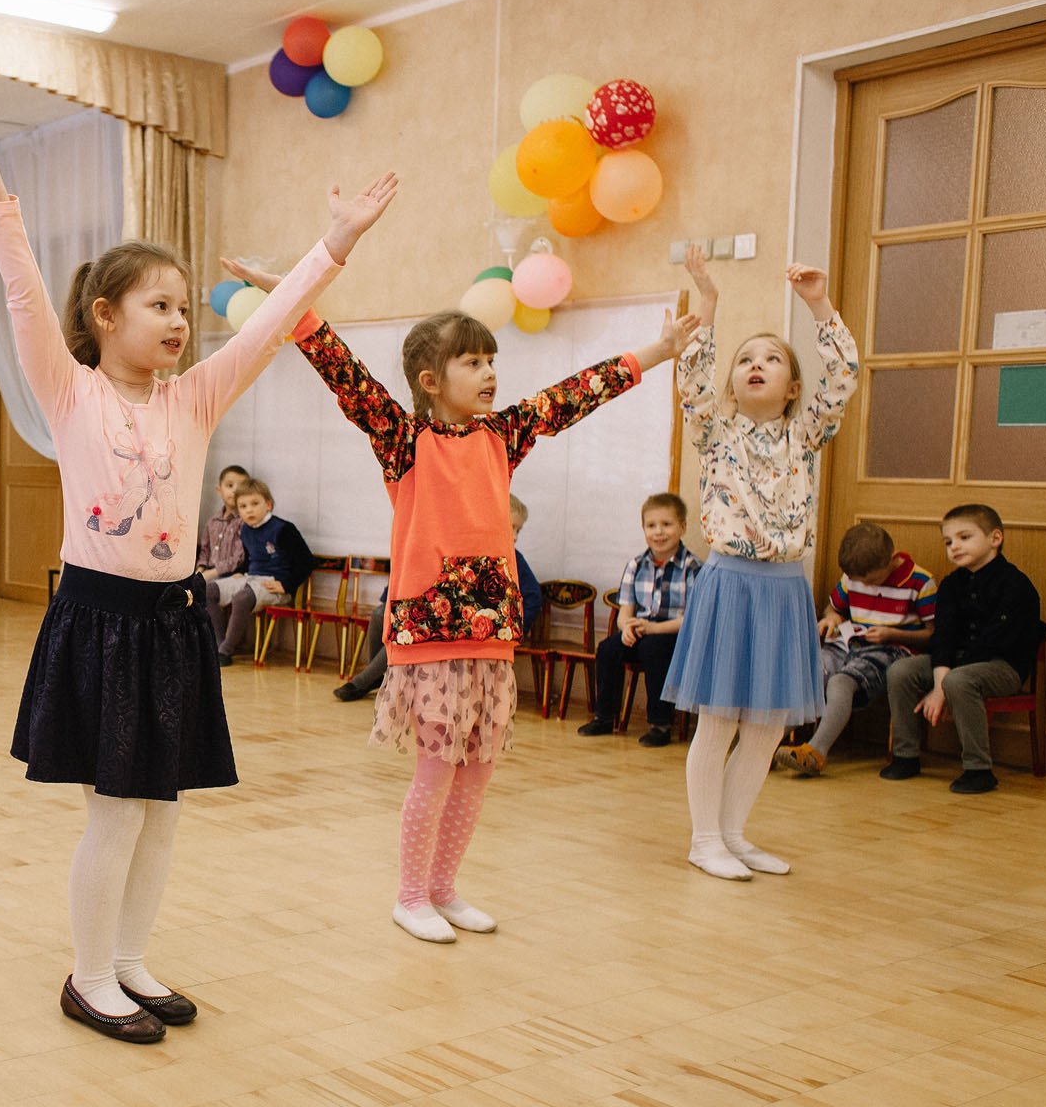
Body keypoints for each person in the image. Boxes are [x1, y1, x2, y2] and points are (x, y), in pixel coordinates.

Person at [0, 107, 395, 1041]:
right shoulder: (69, 390)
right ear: (105, 315)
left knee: (162, 809)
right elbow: (20, 293)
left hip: (173, 622)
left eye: (185, 307)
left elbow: (263, 330)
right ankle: (89, 973)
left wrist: (329, 248)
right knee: (113, 813)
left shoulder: (196, 394)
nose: (181, 321)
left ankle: (132, 959)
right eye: (159, 305)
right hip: (100, 620)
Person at [225, 255, 695, 943]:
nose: (489, 373)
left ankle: (444, 887)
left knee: (476, 772)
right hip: (427, 637)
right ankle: (410, 893)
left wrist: (658, 350)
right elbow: (341, 370)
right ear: (430, 380)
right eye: (473, 362)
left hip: (492, 633)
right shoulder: (403, 440)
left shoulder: (502, 436)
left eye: (491, 360)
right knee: (437, 768)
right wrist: (295, 295)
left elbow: (575, 393)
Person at [661, 245, 858, 880]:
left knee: (768, 727)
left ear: (792, 387)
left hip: (784, 589)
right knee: (718, 721)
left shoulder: (807, 434)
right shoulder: (714, 430)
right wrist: (708, 302)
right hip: (729, 584)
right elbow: (691, 378)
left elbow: (845, 375)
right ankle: (703, 839)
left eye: (771, 359)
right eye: (746, 359)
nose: (755, 366)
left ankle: (734, 833)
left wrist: (818, 304)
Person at [881, 504, 1043, 795]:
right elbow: (943, 637)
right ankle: (906, 756)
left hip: (1001, 665)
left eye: (964, 538)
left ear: (995, 538)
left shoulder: (1016, 585)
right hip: (956, 662)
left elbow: (991, 643)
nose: (954, 546)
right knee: (901, 670)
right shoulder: (952, 584)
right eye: (948, 542)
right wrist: (942, 679)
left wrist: (942, 686)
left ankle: (979, 769)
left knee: (960, 680)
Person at [335, 495, 538, 702]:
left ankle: (363, 682)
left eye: (518, 530)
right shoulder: (462, 544)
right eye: (511, 527)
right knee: (380, 614)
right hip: (440, 607)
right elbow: (416, 571)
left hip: (466, 624)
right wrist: (391, 599)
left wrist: (515, 628)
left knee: (406, 625)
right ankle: (381, 677)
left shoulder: (513, 557)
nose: (514, 536)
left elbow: (533, 597)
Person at [773, 522, 934, 776]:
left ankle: (816, 751)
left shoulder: (920, 582)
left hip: (889, 650)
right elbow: (835, 609)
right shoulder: (852, 577)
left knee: (840, 682)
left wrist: (892, 634)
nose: (866, 586)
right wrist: (831, 620)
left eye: (872, 581)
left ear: (892, 560)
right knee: (810, 672)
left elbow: (932, 634)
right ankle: (767, 744)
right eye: (860, 582)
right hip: (848, 643)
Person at [578, 492, 701, 746]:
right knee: (609, 648)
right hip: (643, 630)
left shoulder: (692, 567)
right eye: (651, 525)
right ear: (643, 528)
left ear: (683, 527)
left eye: (667, 524)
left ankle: (661, 723)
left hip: (675, 636)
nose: (659, 532)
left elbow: (692, 619)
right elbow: (626, 612)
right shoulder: (636, 564)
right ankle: (604, 716)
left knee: (654, 649)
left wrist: (655, 628)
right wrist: (627, 628)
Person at [206, 477, 315, 665]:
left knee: (242, 597)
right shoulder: (246, 530)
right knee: (208, 590)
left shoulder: (283, 529)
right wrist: (241, 570)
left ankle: (225, 651)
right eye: (243, 506)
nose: (249, 510)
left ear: (268, 504)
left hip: (275, 584)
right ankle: (218, 645)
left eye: (255, 504)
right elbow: (250, 557)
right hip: (250, 578)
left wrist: (286, 584)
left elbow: (306, 562)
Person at [196, 464, 250, 582]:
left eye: (241, 487)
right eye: (230, 485)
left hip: (231, 575)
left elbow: (239, 557)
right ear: (219, 490)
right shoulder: (212, 522)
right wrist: (200, 570)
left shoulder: (245, 522)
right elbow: (205, 551)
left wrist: (211, 574)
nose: (235, 490)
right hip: (208, 572)